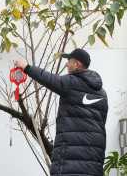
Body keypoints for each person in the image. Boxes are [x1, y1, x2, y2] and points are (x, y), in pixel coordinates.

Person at [14, 48, 108, 176]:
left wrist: (26, 67)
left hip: (70, 161)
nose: (66, 64)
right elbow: (102, 122)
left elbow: (49, 79)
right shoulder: (102, 94)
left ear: (77, 64)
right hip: (94, 162)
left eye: (69, 61)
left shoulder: (71, 83)